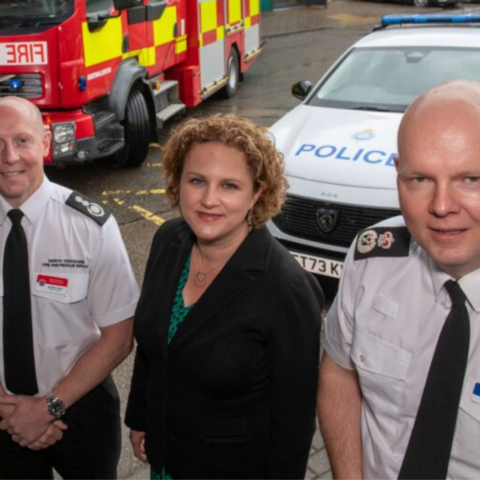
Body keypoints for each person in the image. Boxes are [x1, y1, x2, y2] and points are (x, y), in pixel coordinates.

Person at [125, 114, 324, 479]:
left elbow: (294, 423)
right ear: (178, 181)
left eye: (229, 186)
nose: (209, 199)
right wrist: (141, 417)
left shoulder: (287, 290)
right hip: (166, 457)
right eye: (197, 180)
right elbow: (154, 350)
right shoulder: (168, 240)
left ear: (257, 193)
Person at [318, 79, 480, 480]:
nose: (442, 206)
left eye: (471, 180)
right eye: (420, 180)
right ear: (397, 175)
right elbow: (339, 371)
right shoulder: (372, 258)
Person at [0, 96, 139, 479]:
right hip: (3, 412)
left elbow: (119, 337)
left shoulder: (90, 227)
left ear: (45, 143)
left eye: (22, 141)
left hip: (81, 407)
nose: (9, 156)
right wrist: (9, 409)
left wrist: (47, 409)